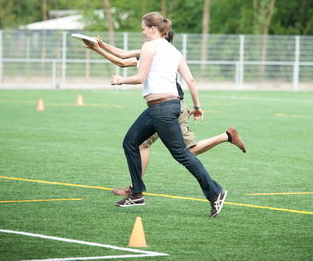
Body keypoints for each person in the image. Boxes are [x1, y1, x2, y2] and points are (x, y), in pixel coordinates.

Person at [82, 32, 246, 197]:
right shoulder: (161, 52)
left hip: (168, 108)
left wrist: (99, 50)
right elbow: (123, 56)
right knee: (182, 151)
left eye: (145, 30)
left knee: (156, 147)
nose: (143, 34)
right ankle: (226, 137)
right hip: (173, 106)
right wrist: (100, 46)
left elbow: (123, 61)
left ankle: (136, 188)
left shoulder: (156, 53)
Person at [104, 12, 227, 217]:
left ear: (153, 29)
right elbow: (191, 81)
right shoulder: (174, 51)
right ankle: (136, 193)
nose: (142, 32)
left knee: (182, 154)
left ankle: (215, 192)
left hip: (161, 108)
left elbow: (140, 77)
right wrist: (196, 106)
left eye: (143, 28)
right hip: (164, 107)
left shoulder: (149, 46)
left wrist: (120, 81)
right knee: (131, 142)